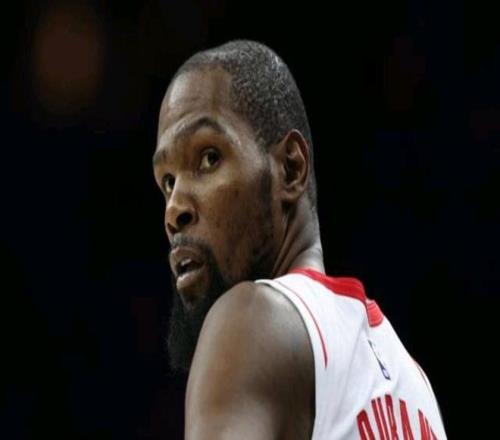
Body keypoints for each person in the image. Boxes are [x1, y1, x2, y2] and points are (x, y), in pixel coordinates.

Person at [152, 39, 447, 439]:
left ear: (290, 168)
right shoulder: (416, 388)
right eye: (167, 182)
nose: (174, 210)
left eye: (209, 158)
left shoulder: (251, 318)